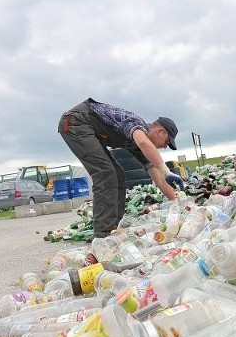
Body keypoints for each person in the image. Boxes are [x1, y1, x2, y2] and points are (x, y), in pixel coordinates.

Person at [58, 98, 185, 239]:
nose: (165, 146)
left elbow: (159, 180)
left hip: (87, 129)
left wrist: (178, 202)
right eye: (167, 141)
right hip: (76, 122)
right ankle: (102, 236)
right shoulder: (135, 123)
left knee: (118, 174)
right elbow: (143, 142)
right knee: (106, 173)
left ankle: (112, 229)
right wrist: (166, 171)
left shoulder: (137, 145)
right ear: (160, 131)